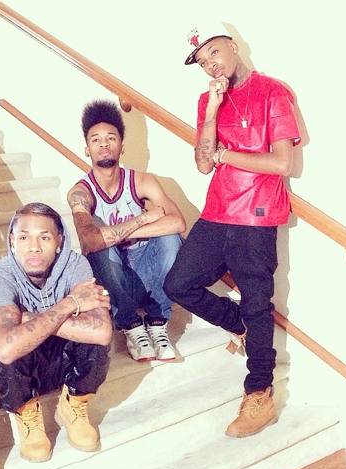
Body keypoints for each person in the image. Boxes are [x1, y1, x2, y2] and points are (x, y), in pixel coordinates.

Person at [164, 31, 301, 438]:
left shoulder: (273, 91)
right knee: (178, 284)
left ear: (233, 46)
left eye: (214, 52)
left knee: (258, 304)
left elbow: (282, 163)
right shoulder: (208, 100)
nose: (211, 64)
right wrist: (211, 112)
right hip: (217, 211)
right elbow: (203, 165)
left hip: (257, 216)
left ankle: (259, 394)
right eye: (203, 61)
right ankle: (239, 324)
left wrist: (225, 154)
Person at [0, 202, 112, 462]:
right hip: (26, 368)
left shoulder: (75, 265)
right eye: (24, 237)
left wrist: (27, 318)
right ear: (12, 241)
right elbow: (6, 350)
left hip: (66, 363)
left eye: (44, 237)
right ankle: (28, 414)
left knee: (96, 333)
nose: (34, 247)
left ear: (59, 241)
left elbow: (102, 333)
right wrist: (70, 304)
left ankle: (73, 405)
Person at [66, 99, 186, 363]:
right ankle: (131, 325)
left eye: (111, 138)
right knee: (101, 250)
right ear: (87, 149)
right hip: (113, 278)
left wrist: (122, 233)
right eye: (96, 140)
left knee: (171, 239)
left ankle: (157, 320)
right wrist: (142, 220)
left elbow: (178, 223)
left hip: (147, 271)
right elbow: (90, 241)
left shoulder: (142, 181)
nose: (104, 144)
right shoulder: (80, 193)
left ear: (122, 146)